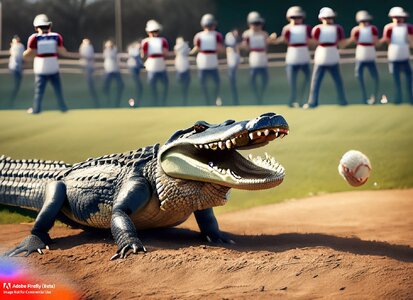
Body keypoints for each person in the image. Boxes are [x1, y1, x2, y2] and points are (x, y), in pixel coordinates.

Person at [23, 14, 76, 114]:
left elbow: (29, 53)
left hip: (41, 68)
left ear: (36, 27)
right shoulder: (56, 36)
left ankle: (36, 109)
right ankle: (63, 108)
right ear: (49, 26)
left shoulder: (34, 38)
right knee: (58, 90)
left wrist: (22, 54)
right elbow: (62, 51)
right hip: (53, 67)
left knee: (39, 92)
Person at [304, 7, 347, 109]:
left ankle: (342, 100)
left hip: (332, 54)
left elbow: (342, 43)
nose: (328, 19)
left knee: (338, 81)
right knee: (315, 81)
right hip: (321, 56)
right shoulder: (317, 29)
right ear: (321, 18)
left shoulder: (338, 28)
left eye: (330, 17)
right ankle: (312, 102)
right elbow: (314, 42)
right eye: (326, 17)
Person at [279, 6, 312, 107]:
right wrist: (273, 40)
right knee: (292, 82)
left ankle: (303, 99)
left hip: (304, 56)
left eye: (298, 17)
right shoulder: (287, 28)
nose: (296, 19)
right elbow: (283, 39)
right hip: (292, 57)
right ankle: (292, 100)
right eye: (294, 17)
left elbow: (312, 40)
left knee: (307, 79)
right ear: (289, 18)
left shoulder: (307, 28)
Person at [242, 11, 277, 104]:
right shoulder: (247, 34)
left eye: (258, 23)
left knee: (265, 79)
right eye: (254, 23)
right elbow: (245, 46)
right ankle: (256, 96)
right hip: (253, 57)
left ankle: (262, 95)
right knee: (253, 79)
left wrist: (271, 39)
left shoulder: (264, 34)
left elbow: (266, 45)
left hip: (262, 57)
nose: (257, 25)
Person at [380, 7, 413, 104]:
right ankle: (398, 99)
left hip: (405, 57)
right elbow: (387, 40)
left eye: (400, 17)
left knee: (409, 79)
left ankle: (410, 99)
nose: (398, 19)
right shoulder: (389, 27)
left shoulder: (409, 27)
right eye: (396, 17)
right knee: (396, 80)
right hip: (394, 57)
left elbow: (411, 41)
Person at [346, 11, 380, 104]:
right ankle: (363, 98)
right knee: (359, 76)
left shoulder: (372, 29)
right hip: (361, 54)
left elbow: (375, 41)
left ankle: (374, 97)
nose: (365, 22)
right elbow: (353, 40)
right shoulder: (356, 30)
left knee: (375, 77)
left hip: (369, 54)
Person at [191, 14, 224, 106]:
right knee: (214, 82)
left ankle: (209, 100)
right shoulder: (216, 35)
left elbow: (196, 48)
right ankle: (212, 100)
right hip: (209, 60)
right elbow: (220, 48)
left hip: (206, 60)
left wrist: (190, 53)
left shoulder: (200, 35)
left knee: (206, 83)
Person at [141, 20, 169, 106]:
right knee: (164, 85)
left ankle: (156, 102)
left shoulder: (146, 41)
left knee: (153, 87)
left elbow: (143, 55)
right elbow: (165, 53)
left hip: (152, 65)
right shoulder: (162, 40)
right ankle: (160, 102)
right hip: (159, 64)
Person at [102, 39, 124, 107]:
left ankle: (117, 101)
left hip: (115, 71)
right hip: (108, 71)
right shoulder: (107, 51)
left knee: (121, 86)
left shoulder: (114, 50)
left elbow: (113, 53)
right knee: (105, 87)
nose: (109, 46)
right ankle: (107, 100)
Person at [79, 38, 99, 108]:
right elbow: (83, 55)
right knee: (88, 84)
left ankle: (94, 100)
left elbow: (90, 56)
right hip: (85, 68)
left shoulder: (90, 47)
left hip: (89, 68)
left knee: (91, 84)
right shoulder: (82, 47)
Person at [225, 29, 241, 105]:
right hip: (231, 69)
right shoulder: (229, 37)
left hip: (235, 69)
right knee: (232, 84)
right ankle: (234, 101)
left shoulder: (236, 47)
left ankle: (235, 101)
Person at [8, 35, 25, 107]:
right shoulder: (15, 46)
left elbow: (18, 57)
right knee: (15, 86)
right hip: (14, 68)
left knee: (16, 86)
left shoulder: (19, 46)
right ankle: (11, 101)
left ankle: (12, 101)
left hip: (16, 68)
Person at [174, 37, 191, 105]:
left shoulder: (179, 47)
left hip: (183, 67)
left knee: (183, 87)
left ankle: (183, 100)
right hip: (181, 67)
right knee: (182, 87)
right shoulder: (183, 46)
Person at [127, 40, 144, 107]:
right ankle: (132, 104)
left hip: (136, 69)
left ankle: (136, 103)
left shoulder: (138, 51)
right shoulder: (132, 50)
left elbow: (140, 60)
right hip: (133, 69)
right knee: (137, 86)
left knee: (139, 87)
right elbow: (135, 55)